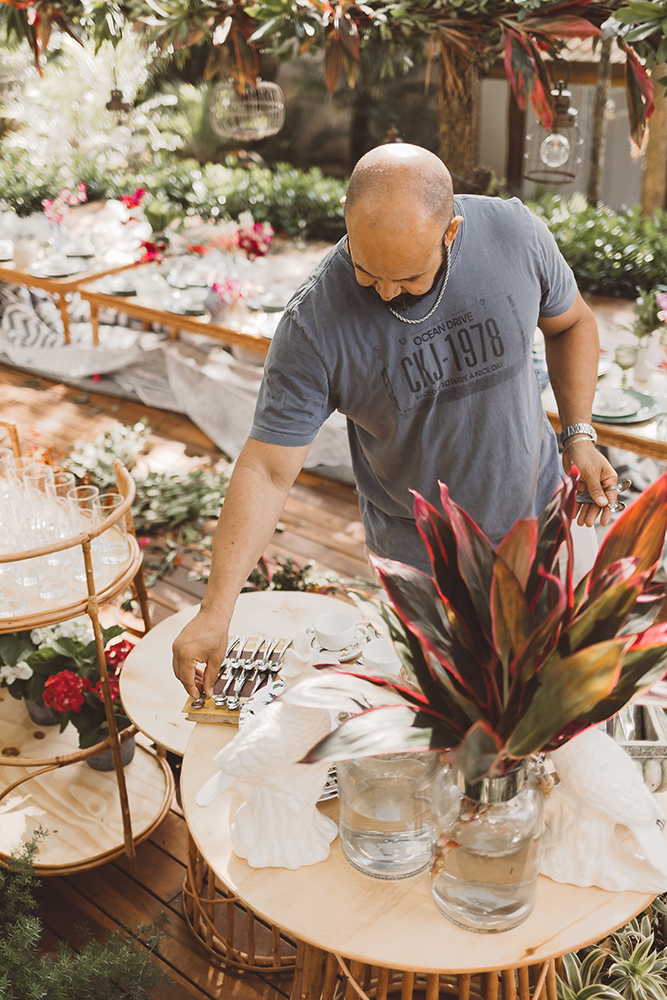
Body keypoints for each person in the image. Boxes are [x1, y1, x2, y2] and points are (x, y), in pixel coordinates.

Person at [173, 143, 617, 699]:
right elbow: (267, 469)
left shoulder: (514, 235)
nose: (384, 292)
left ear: (450, 232)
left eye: (407, 278)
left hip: (542, 524)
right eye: (366, 271)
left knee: (557, 703)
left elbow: (572, 323)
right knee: (458, 724)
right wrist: (216, 611)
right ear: (345, 215)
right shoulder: (313, 323)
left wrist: (579, 433)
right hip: (424, 566)